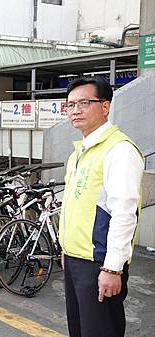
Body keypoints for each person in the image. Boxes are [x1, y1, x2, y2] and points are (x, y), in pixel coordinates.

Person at [60, 76, 143, 337]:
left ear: (105, 106)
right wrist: (66, 251)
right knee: (80, 330)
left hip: (99, 264)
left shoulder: (119, 150)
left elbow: (124, 214)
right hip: (76, 259)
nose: (76, 110)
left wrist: (112, 268)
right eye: (71, 105)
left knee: (100, 331)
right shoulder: (80, 151)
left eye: (84, 103)